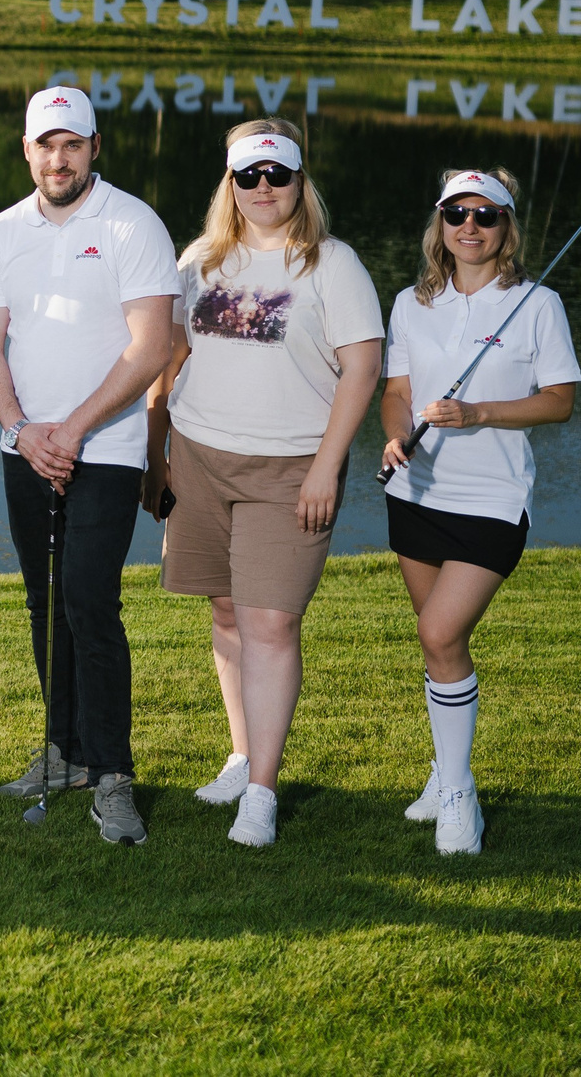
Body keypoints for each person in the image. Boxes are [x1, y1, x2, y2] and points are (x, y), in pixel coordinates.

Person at [144, 120, 383, 847]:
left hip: (289, 468)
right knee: (223, 612)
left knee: (270, 621)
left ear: (299, 181)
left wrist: (324, 467)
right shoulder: (200, 261)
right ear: (230, 183)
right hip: (200, 458)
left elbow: (363, 369)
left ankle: (262, 791)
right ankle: (242, 751)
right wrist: (156, 454)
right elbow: (170, 357)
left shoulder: (332, 265)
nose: (263, 189)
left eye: (277, 176)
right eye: (248, 177)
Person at [0, 89, 178, 845]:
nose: (59, 159)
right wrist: (24, 430)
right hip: (25, 447)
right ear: (27, 150)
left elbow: (151, 345)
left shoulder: (132, 222)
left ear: (95, 146)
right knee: (43, 602)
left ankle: (113, 773)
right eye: (45, 146)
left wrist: (75, 429)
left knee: (89, 600)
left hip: (108, 449)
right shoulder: (3, 232)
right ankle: (64, 753)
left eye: (73, 145)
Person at [379, 166, 581, 856]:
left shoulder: (537, 303)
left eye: (485, 215)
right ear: (439, 223)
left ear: (506, 227)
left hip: (493, 500)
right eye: (456, 213)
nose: (469, 226)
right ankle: (442, 770)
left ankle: (459, 793)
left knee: (440, 633)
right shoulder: (411, 302)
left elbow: (559, 399)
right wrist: (394, 431)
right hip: (416, 496)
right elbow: (396, 389)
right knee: (438, 643)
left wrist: (478, 412)